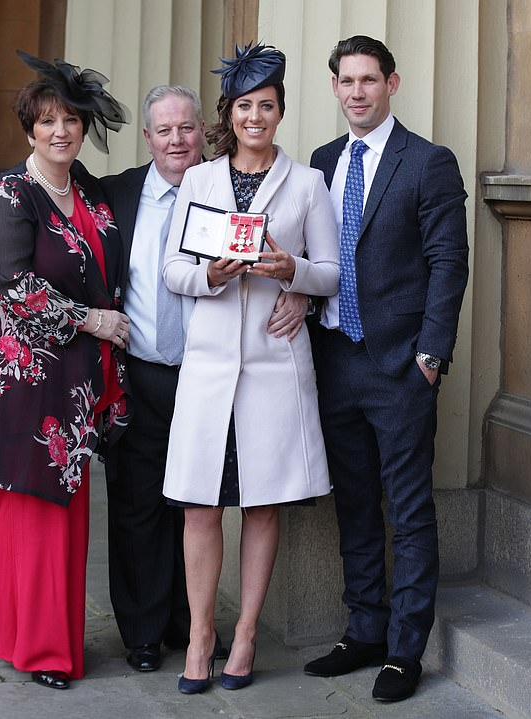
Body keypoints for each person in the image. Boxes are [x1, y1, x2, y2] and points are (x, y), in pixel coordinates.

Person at [99, 84, 308, 673]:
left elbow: (300, 261)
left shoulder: (222, 188)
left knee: (199, 505)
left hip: (220, 376)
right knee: (142, 504)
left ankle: (186, 628)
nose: (175, 139)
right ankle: (144, 633)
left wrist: (301, 295)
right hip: (145, 371)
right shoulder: (118, 195)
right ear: (148, 138)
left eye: (186, 128)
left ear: (203, 131)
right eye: (164, 130)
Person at [162, 43, 340, 694]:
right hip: (209, 372)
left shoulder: (306, 185)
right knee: (200, 508)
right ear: (229, 115)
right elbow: (173, 270)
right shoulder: (201, 182)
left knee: (263, 506)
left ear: (280, 112)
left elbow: (330, 271)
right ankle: (202, 634)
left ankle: (246, 636)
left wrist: (292, 271)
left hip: (272, 368)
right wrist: (209, 274)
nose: (256, 116)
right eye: (245, 107)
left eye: (267, 106)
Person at [305, 35, 469, 702]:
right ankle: (364, 628)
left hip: (400, 366)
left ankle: (405, 649)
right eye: (346, 80)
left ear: (391, 84)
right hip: (335, 360)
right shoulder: (321, 161)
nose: (356, 92)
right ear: (336, 86)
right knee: (354, 506)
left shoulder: (427, 161)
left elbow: (448, 264)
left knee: (407, 508)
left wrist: (429, 356)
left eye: (369, 80)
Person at [0, 50, 130, 690]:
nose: (61, 132)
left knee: (67, 510)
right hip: (27, 379)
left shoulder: (84, 186)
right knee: (37, 507)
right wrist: (92, 320)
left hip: (75, 378)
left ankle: (20, 635)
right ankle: (40, 650)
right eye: (48, 122)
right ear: (29, 129)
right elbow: (6, 279)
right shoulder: (10, 191)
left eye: (71, 121)